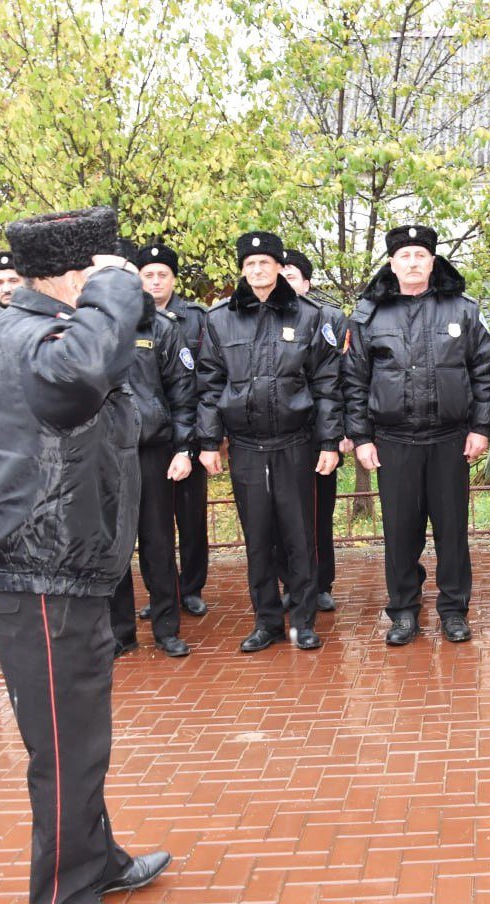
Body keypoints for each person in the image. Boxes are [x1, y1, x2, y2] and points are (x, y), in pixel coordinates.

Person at [0, 206, 170, 904]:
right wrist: (114, 290)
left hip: (65, 562)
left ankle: (98, 855)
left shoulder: (40, 333)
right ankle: (64, 896)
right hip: (39, 570)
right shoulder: (39, 337)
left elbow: (133, 410)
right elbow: (85, 374)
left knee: (83, 735)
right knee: (65, 744)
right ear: (80, 273)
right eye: (107, 270)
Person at [342, 225, 490, 645]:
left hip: (450, 439)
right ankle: (404, 611)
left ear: (433, 261)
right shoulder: (369, 313)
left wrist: (481, 427)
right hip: (394, 441)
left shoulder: (462, 309)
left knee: (452, 531)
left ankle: (453, 609)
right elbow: (354, 381)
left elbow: (484, 372)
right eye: (404, 256)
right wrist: (361, 438)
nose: (412, 263)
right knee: (400, 532)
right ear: (391, 263)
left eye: (420, 255)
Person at [196, 230, 343, 652]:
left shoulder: (309, 316)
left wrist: (329, 442)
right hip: (245, 445)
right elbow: (209, 384)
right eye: (250, 264)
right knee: (257, 538)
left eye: (265, 263)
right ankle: (266, 621)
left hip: (295, 443)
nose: (258, 270)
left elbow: (327, 385)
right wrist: (209, 442)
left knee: (300, 536)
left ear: (280, 267)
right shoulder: (220, 317)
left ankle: (302, 619)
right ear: (242, 270)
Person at [109, 241, 196, 659]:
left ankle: (167, 629)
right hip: (103, 456)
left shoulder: (160, 326)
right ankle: (120, 633)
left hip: (152, 451)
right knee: (112, 547)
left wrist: (184, 448)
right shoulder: (86, 326)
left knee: (159, 542)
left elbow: (183, 392)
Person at [274, 248, 351, 613]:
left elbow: (340, 379)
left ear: (306, 283)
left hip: (317, 431)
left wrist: (338, 433)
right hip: (274, 435)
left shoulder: (330, 319)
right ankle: (289, 581)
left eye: (291, 276)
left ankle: (320, 582)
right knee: (279, 513)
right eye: (280, 274)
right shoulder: (260, 317)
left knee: (318, 513)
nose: (284, 282)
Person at [136, 242, 210, 617]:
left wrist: (206, 437)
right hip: (148, 437)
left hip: (189, 431)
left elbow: (207, 379)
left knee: (191, 515)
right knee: (153, 523)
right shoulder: (130, 322)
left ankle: (192, 587)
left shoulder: (196, 318)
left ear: (174, 279)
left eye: (161, 274)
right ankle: (160, 589)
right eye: (147, 275)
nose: (154, 281)